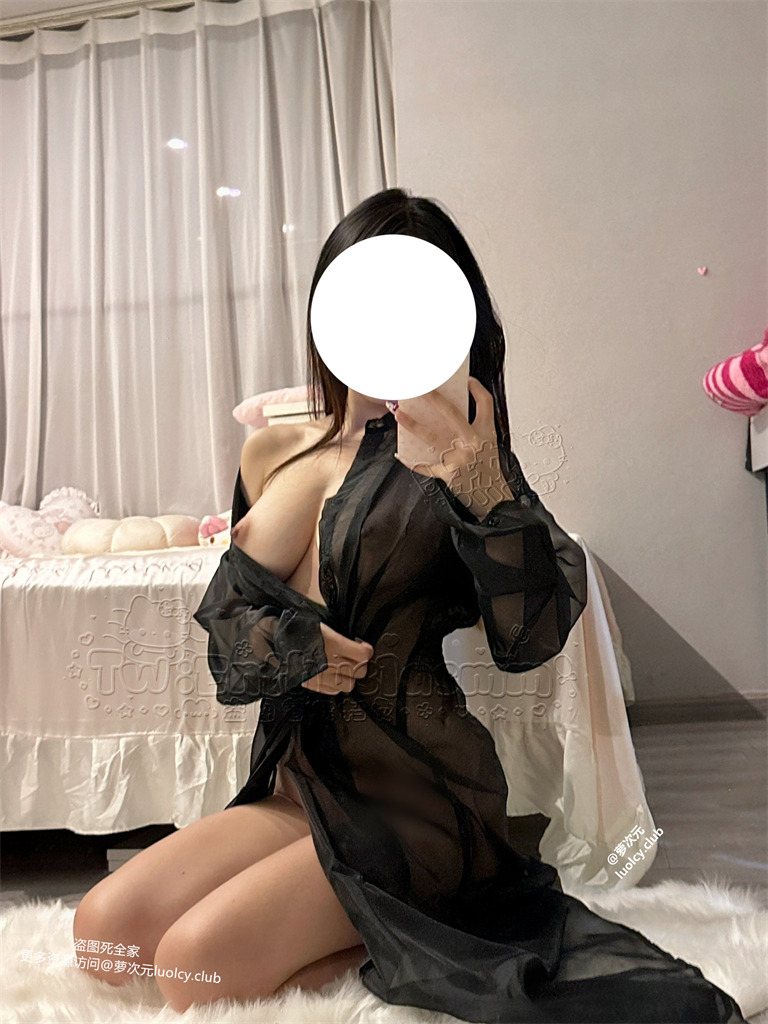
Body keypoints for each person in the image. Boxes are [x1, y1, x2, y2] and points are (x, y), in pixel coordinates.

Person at [73, 188, 747, 1023]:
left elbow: (531, 634)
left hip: (416, 798)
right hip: (302, 787)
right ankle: (386, 934)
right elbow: (227, 628)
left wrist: (483, 485)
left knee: (193, 970)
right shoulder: (273, 449)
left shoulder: (457, 460)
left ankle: (410, 937)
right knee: (105, 939)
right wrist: (296, 650)